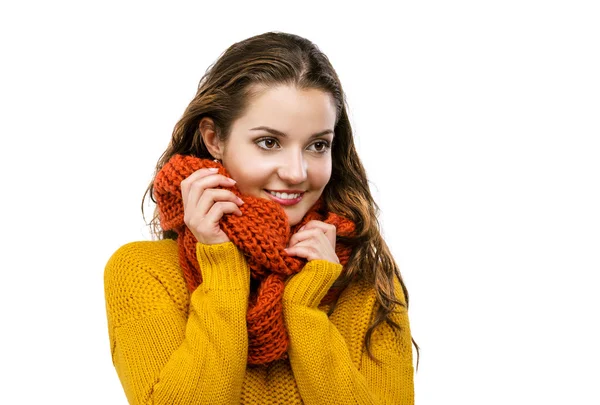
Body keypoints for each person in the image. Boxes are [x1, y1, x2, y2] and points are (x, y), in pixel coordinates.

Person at [104, 31, 419, 405]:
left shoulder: (369, 284)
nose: (296, 172)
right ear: (214, 139)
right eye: (269, 142)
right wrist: (220, 265)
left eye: (318, 145)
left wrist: (305, 308)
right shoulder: (143, 273)